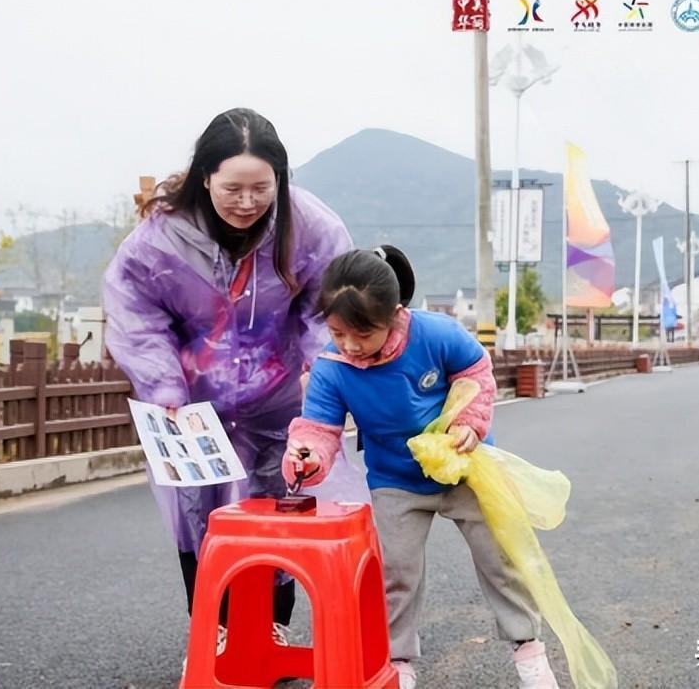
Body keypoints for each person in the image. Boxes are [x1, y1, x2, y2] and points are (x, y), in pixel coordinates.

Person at [102, 108, 352, 652]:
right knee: (198, 510)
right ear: (205, 177)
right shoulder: (162, 237)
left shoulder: (309, 227)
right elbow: (135, 311)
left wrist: (322, 366)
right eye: (232, 188)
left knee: (280, 504)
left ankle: (271, 625)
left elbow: (327, 305)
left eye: (261, 188)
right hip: (191, 402)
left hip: (279, 395)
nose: (246, 201)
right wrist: (163, 383)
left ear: (280, 180)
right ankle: (212, 627)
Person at [281, 249, 558, 689]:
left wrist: (469, 421)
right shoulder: (331, 368)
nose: (350, 345)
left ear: (395, 315)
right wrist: (307, 455)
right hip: (395, 480)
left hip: (464, 468)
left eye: (363, 334)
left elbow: (476, 370)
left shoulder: (436, 334)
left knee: (500, 558)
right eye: (337, 332)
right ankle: (398, 662)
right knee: (396, 573)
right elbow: (317, 429)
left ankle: (528, 650)